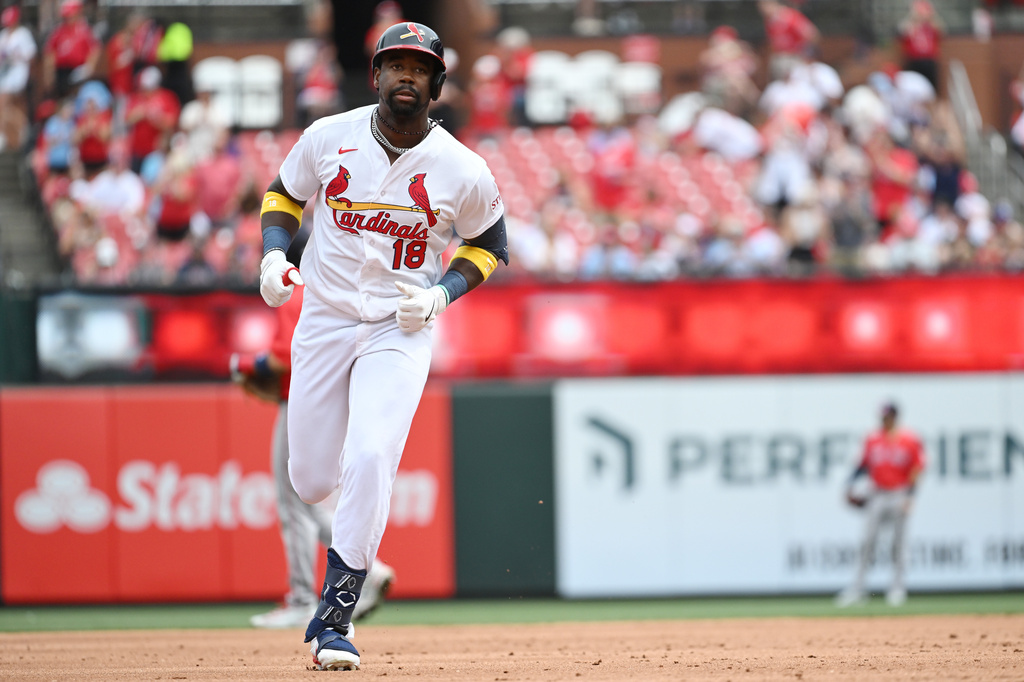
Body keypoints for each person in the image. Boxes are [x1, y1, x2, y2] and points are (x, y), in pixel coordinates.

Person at [256, 21, 507, 671]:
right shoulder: (327, 137)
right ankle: (343, 565)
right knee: (310, 480)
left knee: (371, 454)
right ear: (375, 77)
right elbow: (284, 194)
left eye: (419, 69)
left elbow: (490, 246)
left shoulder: (463, 168)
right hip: (325, 319)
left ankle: (336, 619)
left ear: (438, 85)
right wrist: (271, 256)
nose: (406, 77)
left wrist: (442, 294)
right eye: (395, 66)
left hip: (401, 326)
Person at [235, 239, 397, 629]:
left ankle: (304, 597)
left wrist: (240, 364)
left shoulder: (297, 288)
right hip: (339, 399)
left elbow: (281, 356)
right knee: (308, 503)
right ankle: (366, 569)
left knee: (293, 501)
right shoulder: (338, 286)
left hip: (304, 404)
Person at [836, 402, 926, 608]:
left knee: (898, 543)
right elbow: (863, 465)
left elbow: (916, 469)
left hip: (899, 493)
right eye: (882, 417)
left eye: (887, 417)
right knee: (867, 542)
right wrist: (849, 485)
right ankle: (858, 589)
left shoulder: (909, 440)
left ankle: (897, 588)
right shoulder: (873, 439)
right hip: (876, 493)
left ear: (895, 417)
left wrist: (911, 496)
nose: (884, 421)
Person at [0, 5, 37, 152]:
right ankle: (13, 134)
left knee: (2, 103)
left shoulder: (23, 34)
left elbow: (31, 57)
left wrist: (16, 56)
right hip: (4, 74)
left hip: (18, 76)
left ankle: (3, 135)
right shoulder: (2, 35)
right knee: (7, 109)